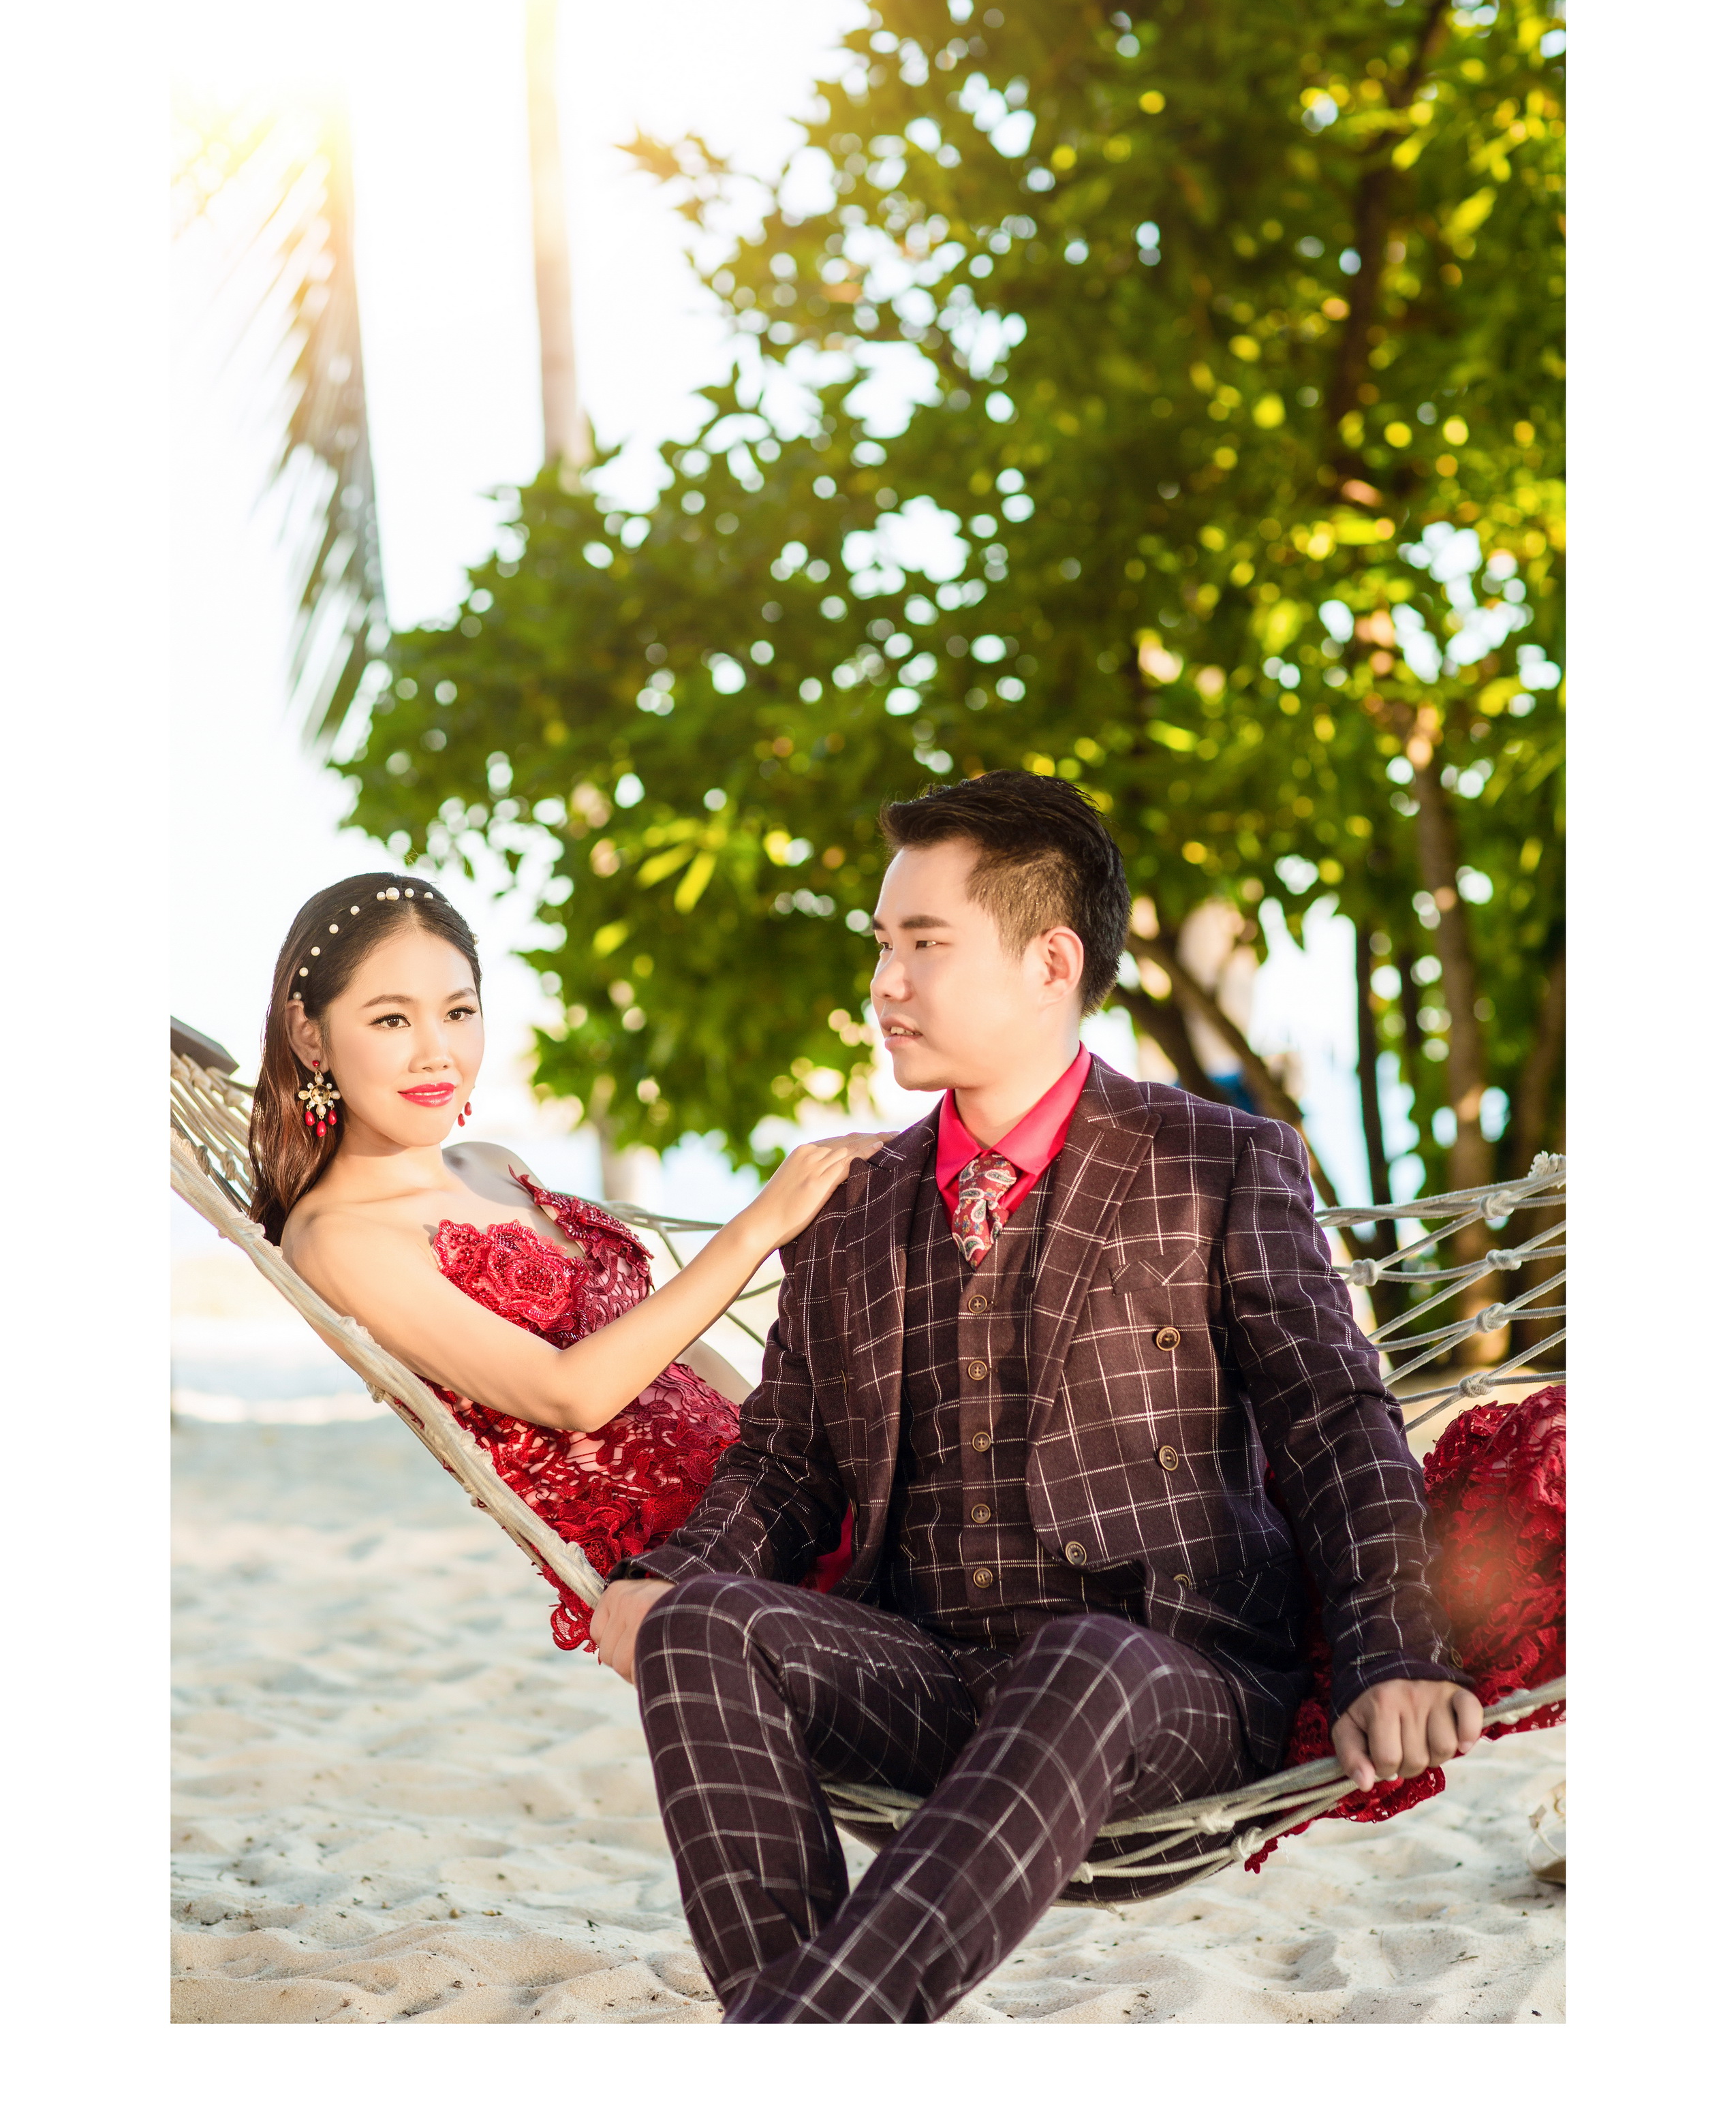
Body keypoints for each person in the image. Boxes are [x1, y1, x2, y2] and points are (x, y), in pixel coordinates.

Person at [589, 771, 1485, 2024]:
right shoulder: (850, 1207)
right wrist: (672, 1575)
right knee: (698, 1624)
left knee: (1082, 1658)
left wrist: (1394, 1654)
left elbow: (1337, 1423)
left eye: (924, 944)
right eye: (881, 946)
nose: (884, 984)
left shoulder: (1215, 1161)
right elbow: (787, 1461)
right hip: (929, 1678)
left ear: (1050, 961)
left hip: (1169, 1681)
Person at [254, 875, 886, 1638]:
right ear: (309, 1034)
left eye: (458, 1012)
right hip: (707, 1561)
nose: (436, 1052)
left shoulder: (491, 1162)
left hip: (777, 1489)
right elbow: (569, 1395)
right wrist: (756, 1228)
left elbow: (675, 1350)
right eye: (391, 1019)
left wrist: (803, 1457)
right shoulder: (338, 1237)